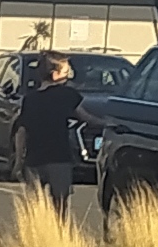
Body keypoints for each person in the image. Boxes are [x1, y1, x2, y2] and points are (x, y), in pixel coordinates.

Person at [14, 50, 104, 220]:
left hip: (34, 159)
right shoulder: (67, 95)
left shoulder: (30, 99)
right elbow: (85, 117)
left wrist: (19, 161)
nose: (69, 77)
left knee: (34, 205)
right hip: (59, 158)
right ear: (55, 75)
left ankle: (36, 230)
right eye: (66, 72)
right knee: (60, 204)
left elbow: (21, 131)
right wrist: (107, 123)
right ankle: (59, 231)